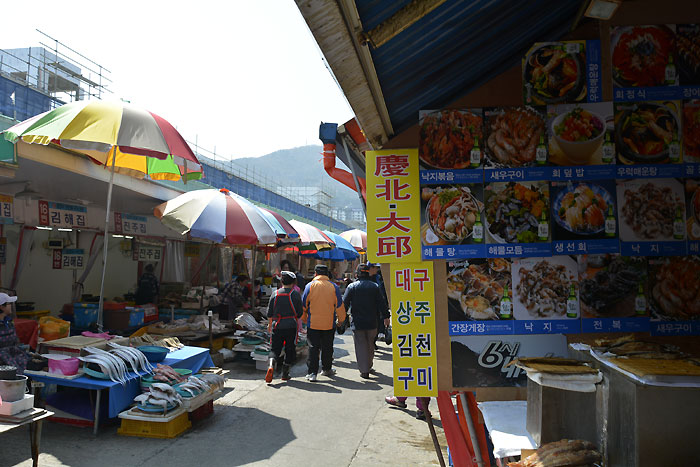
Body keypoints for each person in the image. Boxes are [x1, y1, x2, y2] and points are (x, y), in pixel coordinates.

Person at [343, 263, 390, 379]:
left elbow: (344, 304)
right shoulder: (375, 286)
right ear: (368, 273)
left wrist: (341, 318)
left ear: (357, 274)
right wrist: (386, 317)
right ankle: (368, 365)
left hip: (357, 322)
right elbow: (382, 304)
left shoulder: (352, 287)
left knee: (360, 346)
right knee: (370, 345)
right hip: (372, 322)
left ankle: (364, 370)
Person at [301, 264, 346, 382]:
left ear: (315, 273)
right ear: (327, 274)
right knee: (327, 347)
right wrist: (341, 320)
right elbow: (340, 306)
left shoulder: (309, 286)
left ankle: (312, 373)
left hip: (313, 324)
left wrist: (304, 320)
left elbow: (303, 306)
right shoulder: (334, 287)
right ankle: (326, 369)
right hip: (329, 324)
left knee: (313, 348)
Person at [265, 271, 303, 383]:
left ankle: (271, 365)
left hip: (277, 325)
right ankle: (285, 374)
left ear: (282, 281)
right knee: (289, 349)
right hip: (291, 325)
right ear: (293, 282)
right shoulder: (295, 294)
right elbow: (300, 313)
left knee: (275, 349)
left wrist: (269, 324)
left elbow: (269, 313)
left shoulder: (275, 294)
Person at [0, 293, 29, 374]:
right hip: (4, 360)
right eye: (9, 303)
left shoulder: (8, 322)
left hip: (13, 355)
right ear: (2, 307)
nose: (12, 305)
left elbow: (15, 342)